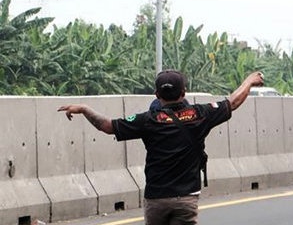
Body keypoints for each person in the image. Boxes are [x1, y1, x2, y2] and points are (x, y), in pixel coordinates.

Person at [58, 70, 265, 225]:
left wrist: (84, 109)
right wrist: (249, 80)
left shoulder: (147, 120)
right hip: (186, 199)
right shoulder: (200, 114)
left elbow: (108, 126)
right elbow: (233, 103)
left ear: (157, 94)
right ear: (184, 93)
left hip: (156, 198)